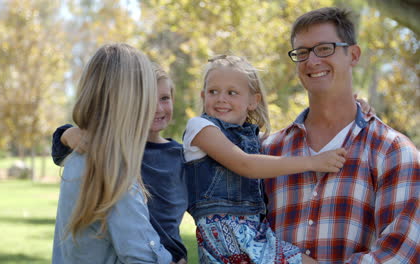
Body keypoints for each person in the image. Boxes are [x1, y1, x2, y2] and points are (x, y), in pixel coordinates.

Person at [262, 7, 419, 264]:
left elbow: (399, 254)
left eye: (325, 48)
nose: (312, 61)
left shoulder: (393, 152)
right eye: (302, 52)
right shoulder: (269, 151)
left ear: (353, 55)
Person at [183, 54, 348, 263]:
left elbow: (283, 141)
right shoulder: (200, 128)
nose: (221, 98)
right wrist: (313, 162)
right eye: (213, 91)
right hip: (227, 234)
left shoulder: (253, 139)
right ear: (203, 95)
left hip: (253, 230)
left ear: (253, 101)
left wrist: (349, 107)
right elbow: (246, 164)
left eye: (232, 92)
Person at [52, 64, 188, 263]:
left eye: (165, 98)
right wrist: (67, 134)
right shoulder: (118, 149)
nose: (158, 108)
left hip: (171, 256)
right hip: (135, 253)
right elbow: (61, 152)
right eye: (147, 100)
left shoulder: (182, 156)